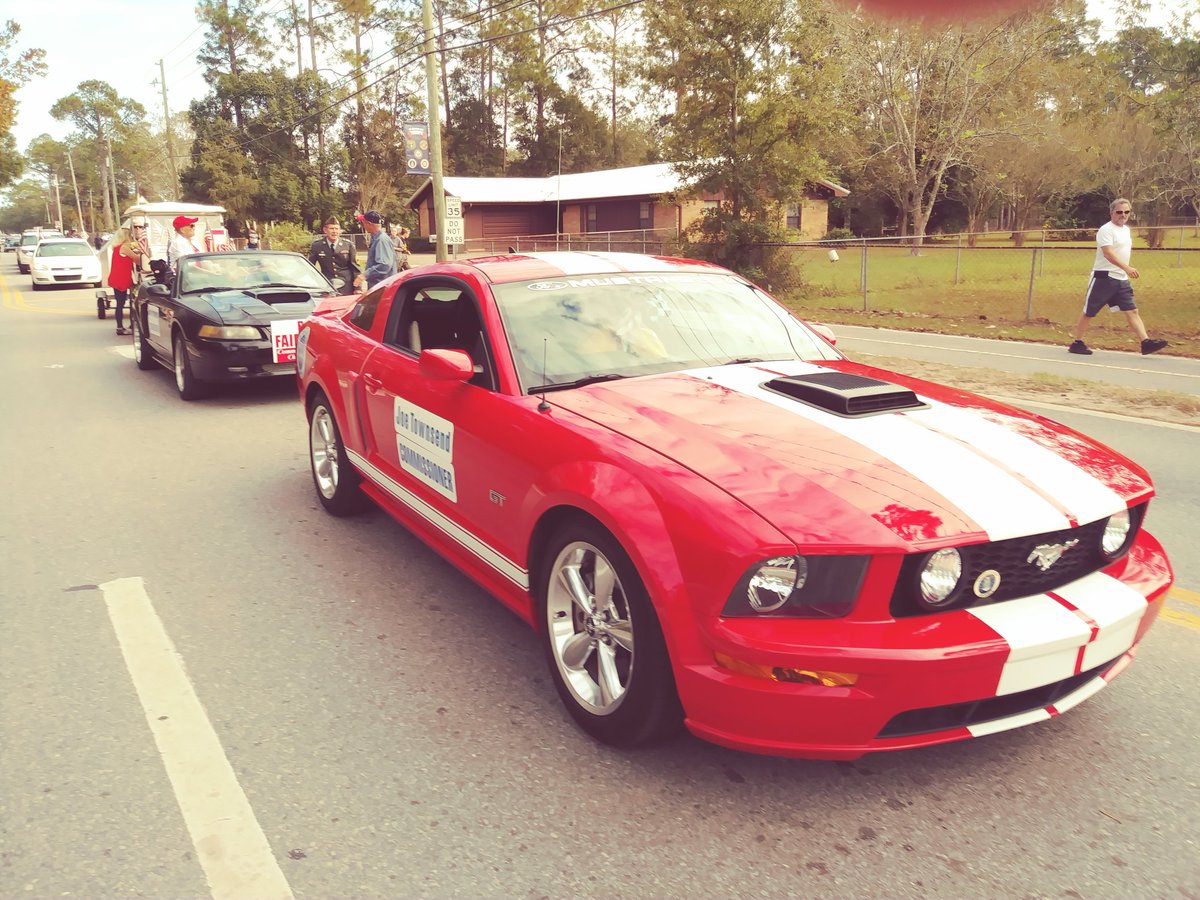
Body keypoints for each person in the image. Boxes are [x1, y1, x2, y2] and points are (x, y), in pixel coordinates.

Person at [1069, 198, 1168, 356]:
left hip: (1121, 279)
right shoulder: (1106, 230)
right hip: (1104, 277)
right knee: (1089, 311)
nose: (1123, 215)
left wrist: (1124, 271)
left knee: (1132, 310)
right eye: (1119, 212)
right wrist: (1127, 268)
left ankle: (1145, 343)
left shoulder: (1126, 230)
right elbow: (1108, 253)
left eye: (1126, 212)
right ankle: (1077, 343)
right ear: (1111, 213)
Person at [308, 217, 364, 294]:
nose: (334, 231)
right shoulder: (317, 246)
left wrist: (358, 288)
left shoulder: (348, 245)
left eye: (336, 229)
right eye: (331, 228)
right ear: (325, 230)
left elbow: (356, 269)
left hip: (347, 287)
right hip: (327, 286)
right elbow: (310, 267)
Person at [107, 227, 145, 336]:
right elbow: (137, 260)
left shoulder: (117, 247)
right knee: (121, 303)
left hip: (116, 277)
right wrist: (142, 254)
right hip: (121, 278)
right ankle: (121, 327)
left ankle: (122, 326)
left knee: (121, 302)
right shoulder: (124, 247)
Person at [358, 210, 396, 289]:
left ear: (369, 224)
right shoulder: (377, 238)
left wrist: (365, 275)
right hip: (379, 285)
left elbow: (384, 265)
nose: (363, 225)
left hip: (382, 286)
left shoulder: (381, 240)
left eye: (363, 223)